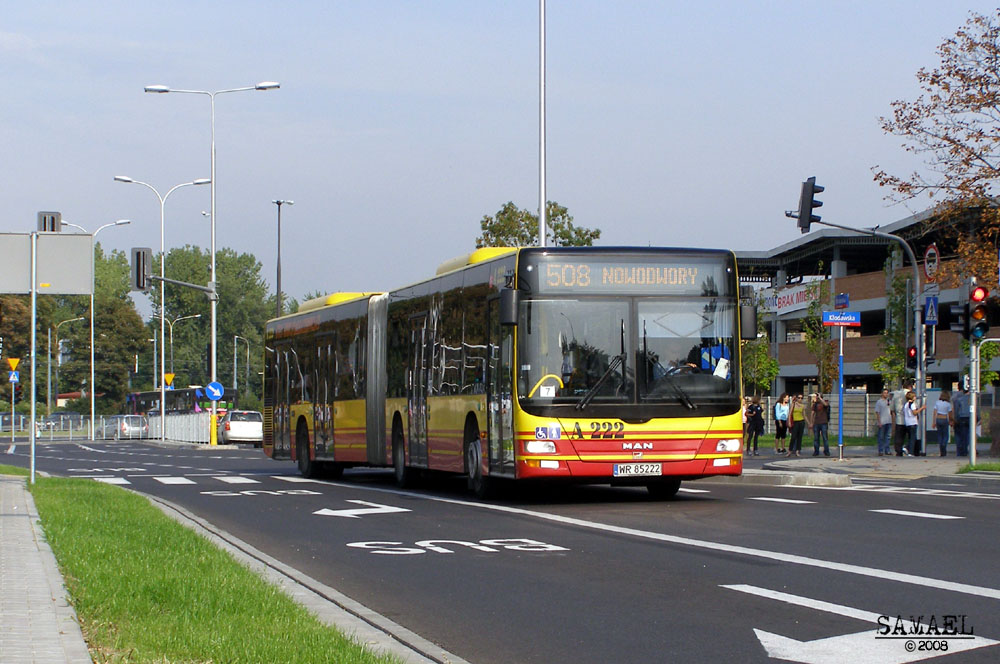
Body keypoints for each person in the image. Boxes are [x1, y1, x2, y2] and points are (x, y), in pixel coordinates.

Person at [896, 391, 926, 456]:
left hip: (907, 423)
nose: (915, 397)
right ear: (912, 397)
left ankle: (910, 450)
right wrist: (921, 408)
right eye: (914, 396)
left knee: (912, 437)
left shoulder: (906, 405)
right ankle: (908, 449)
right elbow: (914, 413)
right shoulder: (912, 404)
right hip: (913, 422)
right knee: (912, 438)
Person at [933, 391, 953, 457]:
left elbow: (935, 412)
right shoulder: (948, 404)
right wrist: (951, 421)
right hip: (944, 419)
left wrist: (934, 422)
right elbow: (950, 414)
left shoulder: (937, 403)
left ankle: (941, 446)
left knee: (939, 434)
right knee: (945, 434)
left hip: (938, 418)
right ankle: (944, 445)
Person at [952, 385, 971, 457]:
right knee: (967, 435)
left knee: (961, 435)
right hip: (969, 418)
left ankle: (961, 451)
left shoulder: (959, 399)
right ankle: (965, 450)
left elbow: (956, 411)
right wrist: (978, 418)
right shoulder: (972, 399)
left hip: (961, 418)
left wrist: (955, 419)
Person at [873, 389, 893, 456]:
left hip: (889, 421)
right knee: (881, 437)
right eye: (884, 393)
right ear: (882, 393)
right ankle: (881, 450)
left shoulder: (889, 401)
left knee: (888, 436)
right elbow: (877, 412)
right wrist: (879, 422)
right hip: (882, 421)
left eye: (887, 393)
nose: (886, 394)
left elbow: (892, 411)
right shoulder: (879, 402)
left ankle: (887, 450)